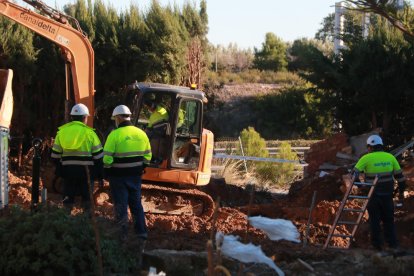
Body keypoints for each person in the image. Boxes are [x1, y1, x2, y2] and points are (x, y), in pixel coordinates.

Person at [103, 105, 151, 249]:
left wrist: (107, 171)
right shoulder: (142, 134)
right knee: (136, 205)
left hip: (118, 177)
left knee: (121, 205)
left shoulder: (115, 135)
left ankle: (121, 235)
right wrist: (140, 168)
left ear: (117, 118)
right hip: (135, 176)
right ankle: (141, 233)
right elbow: (148, 156)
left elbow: (106, 159)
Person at [352, 134, 406, 251]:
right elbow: (400, 177)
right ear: (381, 145)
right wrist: (401, 191)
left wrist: (361, 186)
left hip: (373, 195)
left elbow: (354, 174)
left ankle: (377, 246)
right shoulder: (390, 157)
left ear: (370, 147)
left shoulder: (366, 158)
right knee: (389, 220)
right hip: (388, 195)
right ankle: (392, 244)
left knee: (374, 220)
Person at [51, 103, 103, 210]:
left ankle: (65, 220)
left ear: (72, 117)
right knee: (87, 201)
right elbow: (99, 157)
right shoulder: (90, 133)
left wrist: (61, 168)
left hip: (68, 173)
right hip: (86, 174)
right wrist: (99, 174)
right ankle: (86, 222)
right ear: (85, 118)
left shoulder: (61, 132)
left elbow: (55, 156)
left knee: (67, 200)